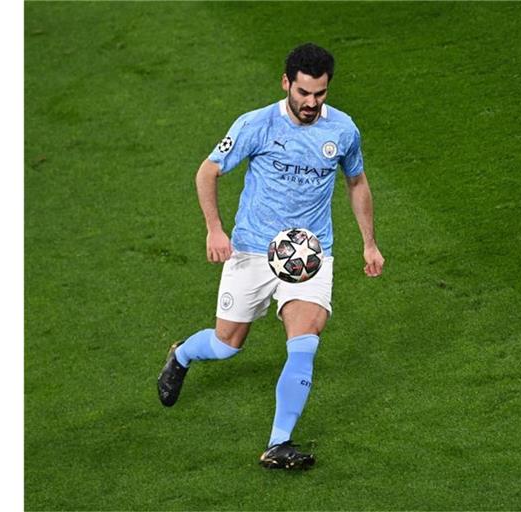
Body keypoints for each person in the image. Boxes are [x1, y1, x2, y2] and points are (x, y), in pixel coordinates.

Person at [157, 43, 384, 470]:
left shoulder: (343, 131)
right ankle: (182, 355)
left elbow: (357, 183)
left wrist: (369, 242)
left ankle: (279, 443)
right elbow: (207, 172)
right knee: (227, 344)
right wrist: (214, 229)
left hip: (309, 255)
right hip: (252, 251)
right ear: (286, 84)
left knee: (304, 343)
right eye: (303, 93)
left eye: (320, 94)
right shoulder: (256, 125)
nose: (311, 103)